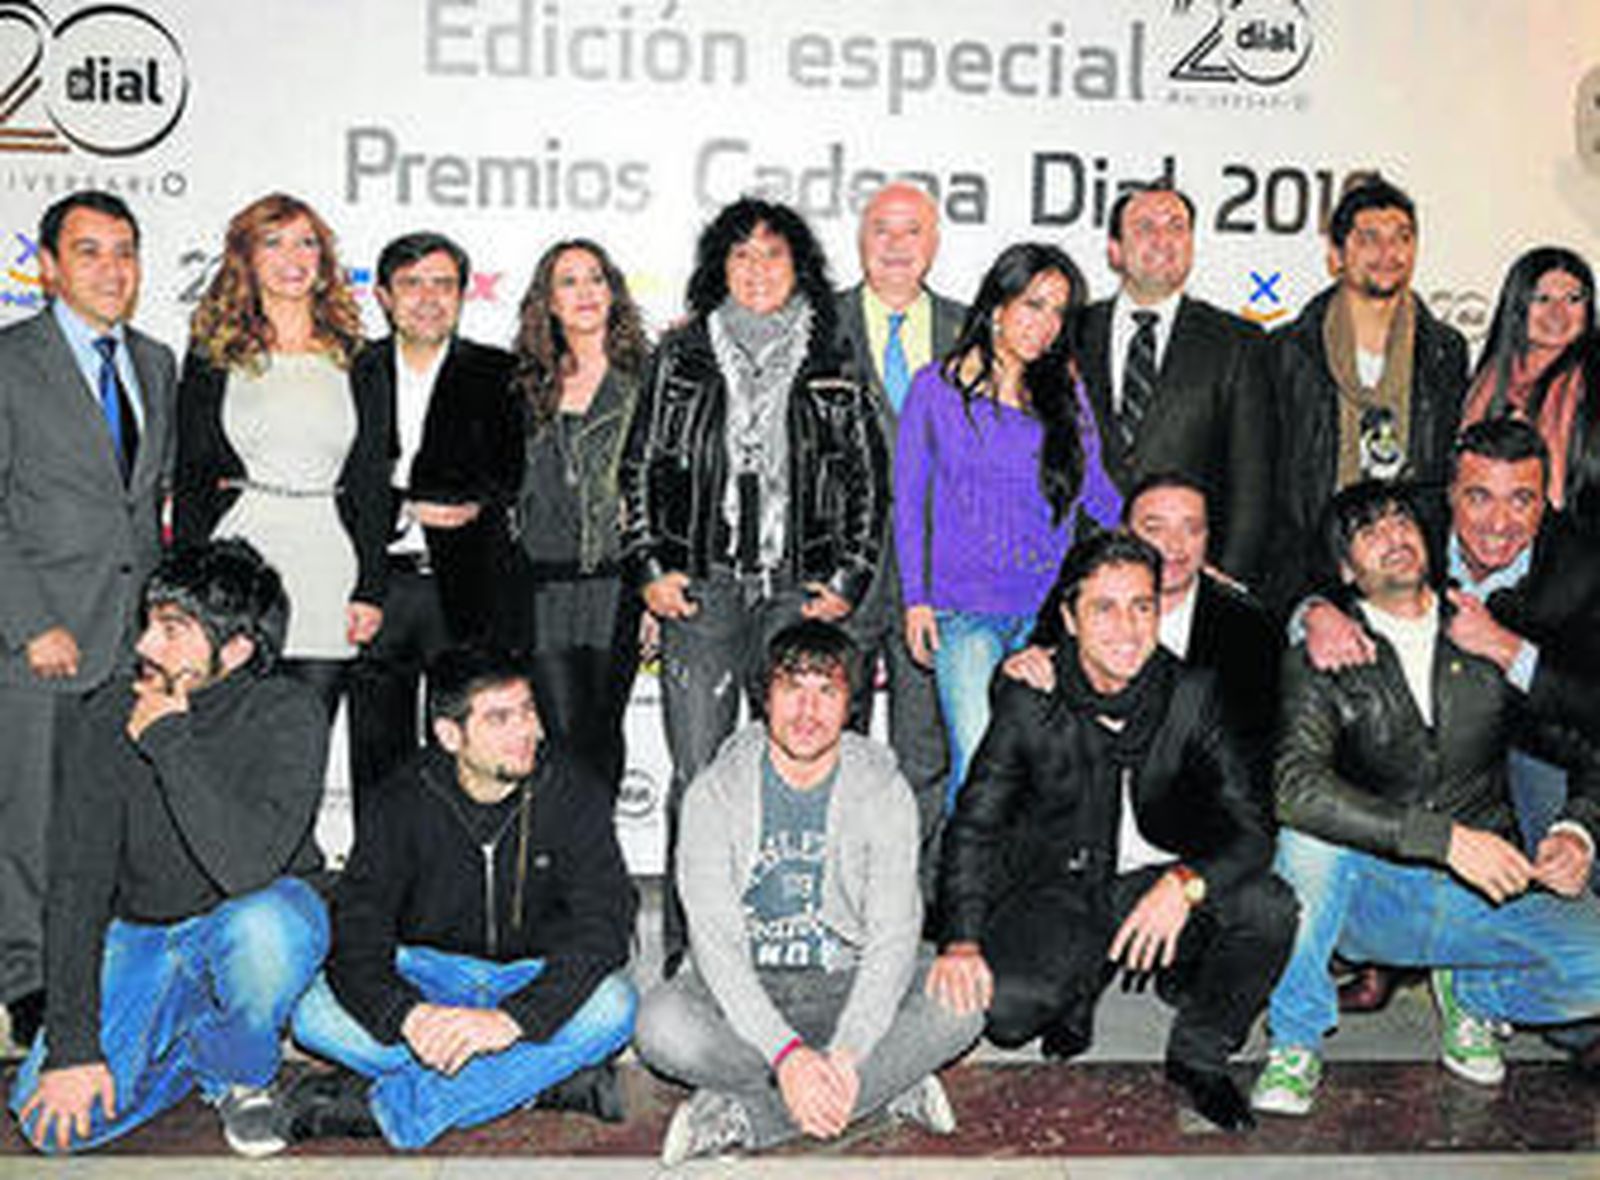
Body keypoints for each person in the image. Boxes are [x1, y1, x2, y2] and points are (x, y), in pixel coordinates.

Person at [1250, 481, 1600, 1118]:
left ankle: (1475, 996)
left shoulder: (1483, 637)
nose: (1393, 536)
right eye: (1369, 531)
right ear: (1345, 570)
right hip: (1373, 887)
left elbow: (1587, 744)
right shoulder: (1324, 653)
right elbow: (1296, 787)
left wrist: (1577, 831)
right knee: (1305, 838)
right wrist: (1444, 842)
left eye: (1402, 521)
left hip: (1484, 884)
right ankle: (1295, 1040)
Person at [930, 531, 1295, 1133]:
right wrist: (961, 942)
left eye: (1141, 606)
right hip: (1061, 884)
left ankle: (1199, 1056)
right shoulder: (1032, 693)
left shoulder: (1195, 693)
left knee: (1270, 908)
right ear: (1070, 618)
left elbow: (1254, 829)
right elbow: (975, 824)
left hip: (1157, 881)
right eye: (1104, 608)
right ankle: (1081, 982)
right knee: (1006, 1014)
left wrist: (1185, 883)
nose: (1127, 628)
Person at [621, 197, 887, 972]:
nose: (758, 269)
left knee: (801, 771)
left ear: (799, 266)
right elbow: (637, 469)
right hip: (701, 589)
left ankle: (799, 934)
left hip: (798, 592)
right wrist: (649, 569)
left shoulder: (835, 358)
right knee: (699, 775)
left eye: (773, 254)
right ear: (720, 268)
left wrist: (847, 577)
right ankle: (691, 948)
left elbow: (869, 481)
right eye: (742, 255)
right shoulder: (680, 356)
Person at [8, 540, 329, 1156]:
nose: (145, 646)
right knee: (52, 1127)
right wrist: (73, 1050)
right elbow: (77, 886)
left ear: (236, 649)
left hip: (249, 921)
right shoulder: (110, 713)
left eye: (172, 630)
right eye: (149, 624)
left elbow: (243, 870)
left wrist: (168, 740)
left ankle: (241, 1071)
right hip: (147, 936)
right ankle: (195, 1049)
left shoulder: (288, 713)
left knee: (267, 927)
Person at [634, 622, 982, 1166]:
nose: (807, 710)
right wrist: (787, 1054)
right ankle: (886, 1084)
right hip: (748, 989)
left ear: (851, 705)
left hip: (848, 982)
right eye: (792, 688)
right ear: (764, 697)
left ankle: (749, 1115)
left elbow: (893, 938)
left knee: (961, 1006)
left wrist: (845, 1054)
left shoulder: (883, 790)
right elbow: (716, 948)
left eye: (827, 691)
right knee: (661, 1026)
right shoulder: (714, 793)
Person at [281, 647, 638, 1151]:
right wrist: (408, 1015)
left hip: (529, 976)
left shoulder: (572, 790)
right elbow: (359, 925)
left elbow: (605, 924)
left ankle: (393, 1108)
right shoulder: (401, 798)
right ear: (450, 735)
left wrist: (513, 1019)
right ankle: (542, 1080)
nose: (528, 731)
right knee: (314, 1016)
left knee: (614, 1006)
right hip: (429, 978)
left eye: (528, 710)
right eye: (500, 719)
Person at [0, 191, 176, 1051]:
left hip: (127, 640)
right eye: (89, 251)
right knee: (30, 823)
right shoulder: (9, 362)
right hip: (38, 638)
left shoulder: (155, 362)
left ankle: (86, 971)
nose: (112, 269)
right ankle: (28, 983)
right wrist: (31, 621)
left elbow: (145, 504)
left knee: (101, 824)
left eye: (124, 251)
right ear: (47, 266)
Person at [893, 242, 1120, 811]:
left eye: (1058, 312)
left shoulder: (1064, 391)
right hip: (963, 612)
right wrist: (916, 600)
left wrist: (1161, 543)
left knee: (1042, 772)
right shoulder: (934, 388)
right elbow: (909, 501)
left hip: (1048, 613)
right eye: (1033, 304)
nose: (1046, 324)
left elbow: (1095, 487)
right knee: (978, 765)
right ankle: (964, 875)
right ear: (998, 305)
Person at [175, 192, 389, 722]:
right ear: (246, 258)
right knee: (226, 743)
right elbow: (193, 477)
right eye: (273, 243)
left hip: (329, 568)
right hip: (235, 568)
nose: (293, 258)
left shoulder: (360, 359)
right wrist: (186, 592)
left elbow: (371, 482)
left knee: (304, 744)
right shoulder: (212, 354)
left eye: (306, 243)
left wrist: (370, 588)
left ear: (323, 259)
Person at [348, 231, 519, 804]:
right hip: (376, 587)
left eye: (443, 284)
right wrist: (404, 505)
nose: (428, 298)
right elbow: (339, 477)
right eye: (412, 284)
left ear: (463, 295)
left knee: (464, 754)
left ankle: (457, 859)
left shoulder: (498, 373)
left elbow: (509, 476)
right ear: (384, 296)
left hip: (467, 593)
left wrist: (472, 500)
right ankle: (381, 859)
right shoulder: (354, 371)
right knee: (377, 755)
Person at [833, 183, 966, 872]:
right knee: (828, 744)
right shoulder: (816, 325)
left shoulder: (970, 332)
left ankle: (914, 898)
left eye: (911, 230)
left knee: (925, 752)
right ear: (861, 240)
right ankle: (834, 892)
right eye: (881, 229)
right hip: (838, 578)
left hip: (936, 578)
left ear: (934, 243)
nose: (894, 244)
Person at [1265, 176, 1468, 616]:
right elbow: (1273, 479)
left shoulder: (1445, 351)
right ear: (1336, 255)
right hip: (1313, 567)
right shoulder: (1288, 351)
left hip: (1410, 571)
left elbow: (1442, 472)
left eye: (1401, 238)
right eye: (1369, 238)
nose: (1387, 253)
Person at [1012, 471, 1283, 801]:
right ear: (1125, 534)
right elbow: (1028, 695)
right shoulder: (1082, 598)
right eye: (1155, 529)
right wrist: (1022, 669)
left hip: (1195, 807)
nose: (1174, 546)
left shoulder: (1248, 626)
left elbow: (1252, 756)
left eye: (1191, 529)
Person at [504, 238, 651, 790]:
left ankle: (594, 842)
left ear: (613, 292)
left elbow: (666, 490)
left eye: (595, 278)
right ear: (548, 301)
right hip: (541, 589)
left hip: (617, 586)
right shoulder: (522, 384)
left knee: (601, 733)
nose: (585, 291)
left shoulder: (648, 379)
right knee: (559, 735)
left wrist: (654, 587)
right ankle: (562, 843)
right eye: (568, 281)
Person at [1071, 182, 1272, 585]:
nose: (1163, 239)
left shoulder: (1237, 342)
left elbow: (1252, 478)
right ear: (1114, 250)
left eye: (1176, 227)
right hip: (1080, 570)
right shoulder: (1070, 331)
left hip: (1191, 574)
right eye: (1145, 227)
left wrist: (1229, 578)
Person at [1461, 246, 1599, 523]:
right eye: (1542, 298)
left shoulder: (1592, 380)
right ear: (1517, 307)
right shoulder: (1489, 379)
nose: (1557, 313)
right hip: (1496, 534)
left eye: (1573, 299)